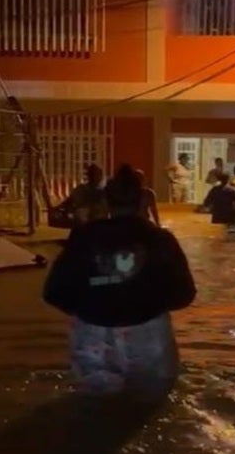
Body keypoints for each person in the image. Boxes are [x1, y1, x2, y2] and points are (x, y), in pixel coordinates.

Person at [42, 165, 196, 399]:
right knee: (152, 408)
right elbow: (185, 293)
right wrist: (145, 302)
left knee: (92, 408)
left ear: (106, 200)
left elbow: (54, 292)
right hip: (149, 334)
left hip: (92, 333)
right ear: (141, 200)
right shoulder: (159, 239)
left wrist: (91, 308)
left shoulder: (84, 237)